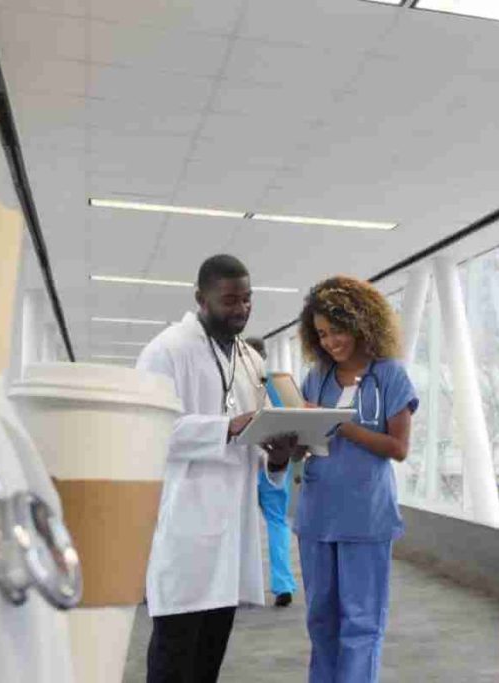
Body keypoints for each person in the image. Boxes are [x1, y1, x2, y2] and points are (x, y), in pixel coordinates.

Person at [137, 255, 296, 683]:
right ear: (200, 298)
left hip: (233, 536)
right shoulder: (166, 350)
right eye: (230, 300)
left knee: (209, 661)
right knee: (173, 660)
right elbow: (149, 433)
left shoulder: (249, 360)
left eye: (247, 300)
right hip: (184, 532)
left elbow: (256, 446)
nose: (241, 309)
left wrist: (277, 457)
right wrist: (227, 427)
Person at [293, 276, 418, 683]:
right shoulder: (317, 378)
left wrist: (337, 424)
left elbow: (398, 448)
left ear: (362, 323)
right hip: (316, 516)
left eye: (337, 330)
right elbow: (307, 443)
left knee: (361, 623)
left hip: (366, 517)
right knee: (320, 620)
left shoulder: (390, 376)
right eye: (322, 334)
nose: (330, 342)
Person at [243, 336, 298, 608]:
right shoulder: (277, 386)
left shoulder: (235, 385)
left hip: (248, 464)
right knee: (277, 523)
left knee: (240, 524)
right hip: (274, 462)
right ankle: (283, 585)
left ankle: (238, 585)